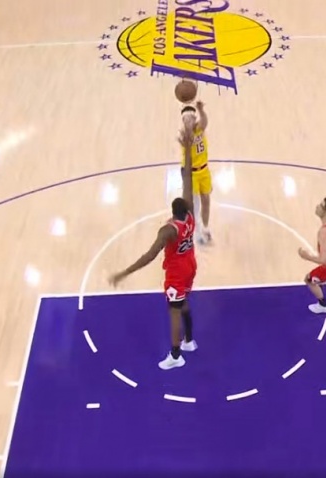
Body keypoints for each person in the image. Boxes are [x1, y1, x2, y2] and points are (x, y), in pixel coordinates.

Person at [110, 126, 198, 370]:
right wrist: (187, 149)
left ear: (172, 211)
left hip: (177, 272)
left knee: (174, 312)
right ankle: (190, 341)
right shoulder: (190, 214)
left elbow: (149, 256)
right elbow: (188, 178)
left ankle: (176, 355)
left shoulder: (168, 230)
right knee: (183, 303)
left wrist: (124, 273)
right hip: (190, 265)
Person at [181, 102, 213, 244]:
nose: (188, 122)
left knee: (206, 200)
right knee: (195, 206)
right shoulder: (185, 135)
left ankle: (205, 228)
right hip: (191, 174)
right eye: (185, 119)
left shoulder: (200, 128)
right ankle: (196, 233)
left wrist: (200, 110)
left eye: (190, 118)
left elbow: (204, 121)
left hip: (204, 170)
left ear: (194, 119)